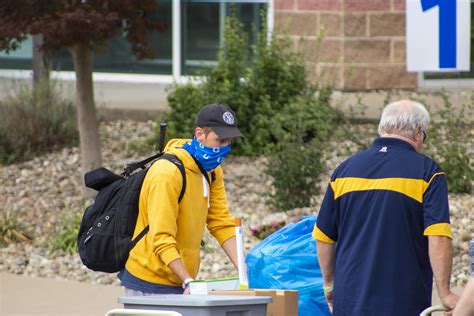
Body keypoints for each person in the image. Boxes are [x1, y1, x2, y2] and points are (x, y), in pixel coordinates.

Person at [313, 100, 459, 315]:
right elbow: (438, 237)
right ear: (418, 133)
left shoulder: (344, 170)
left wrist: (330, 285)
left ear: (383, 128)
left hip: (349, 300)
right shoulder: (427, 172)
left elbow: (324, 237)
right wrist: (445, 293)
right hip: (401, 300)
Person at [118, 103, 244, 295]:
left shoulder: (212, 171)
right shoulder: (167, 174)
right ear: (200, 133)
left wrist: (245, 273)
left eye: (229, 142)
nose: (224, 148)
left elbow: (220, 223)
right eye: (220, 140)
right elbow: (161, 237)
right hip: (149, 280)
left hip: (181, 280)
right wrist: (187, 281)